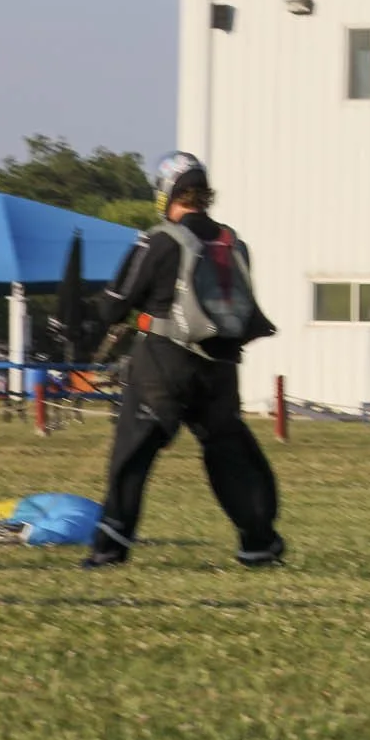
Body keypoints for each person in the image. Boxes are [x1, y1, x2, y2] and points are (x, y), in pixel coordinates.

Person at [82, 153, 283, 570]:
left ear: (166, 193)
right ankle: (259, 542)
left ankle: (110, 546)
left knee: (134, 452)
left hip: (163, 366)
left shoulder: (160, 239)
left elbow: (114, 305)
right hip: (221, 366)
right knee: (228, 450)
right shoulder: (233, 242)